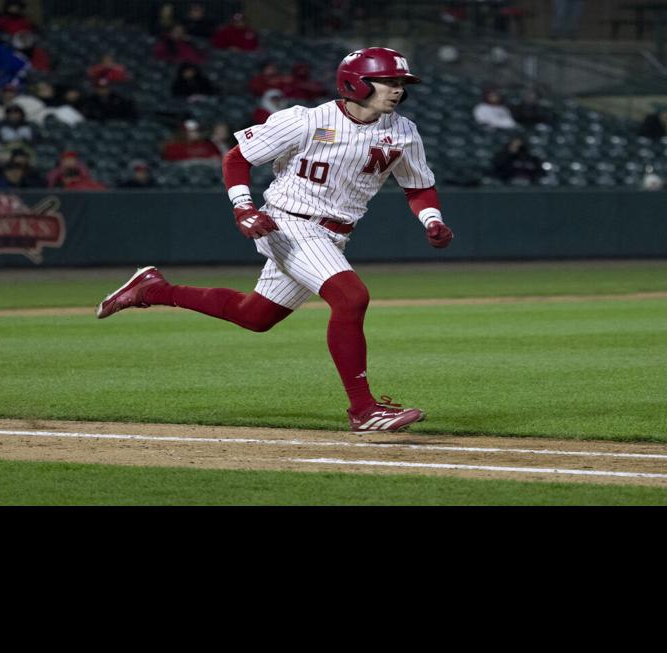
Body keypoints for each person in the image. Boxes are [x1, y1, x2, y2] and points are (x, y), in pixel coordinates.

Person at [95, 46, 455, 434]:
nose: (398, 89)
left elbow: (419, 186)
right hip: (286, 223)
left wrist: (431, 219)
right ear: (356, 83)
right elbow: (237, 159)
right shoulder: (305, 121)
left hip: (334, 234)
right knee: (351, 297)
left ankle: (152, 289)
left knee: (255, 316)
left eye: (400, 82)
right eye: (387, 81)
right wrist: (243, 207)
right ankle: (364, 410)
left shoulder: (403, 131)